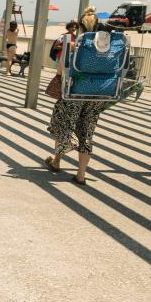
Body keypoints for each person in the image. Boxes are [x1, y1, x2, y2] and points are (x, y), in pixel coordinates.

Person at [44, 14, 106, 186]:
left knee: (63, 124)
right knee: (87, 134)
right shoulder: (104, 46)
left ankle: (59, 156)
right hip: (96, 95)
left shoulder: (76, 45)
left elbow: (61, 70)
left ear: (80, 27)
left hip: (75, 93)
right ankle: (81, 175)